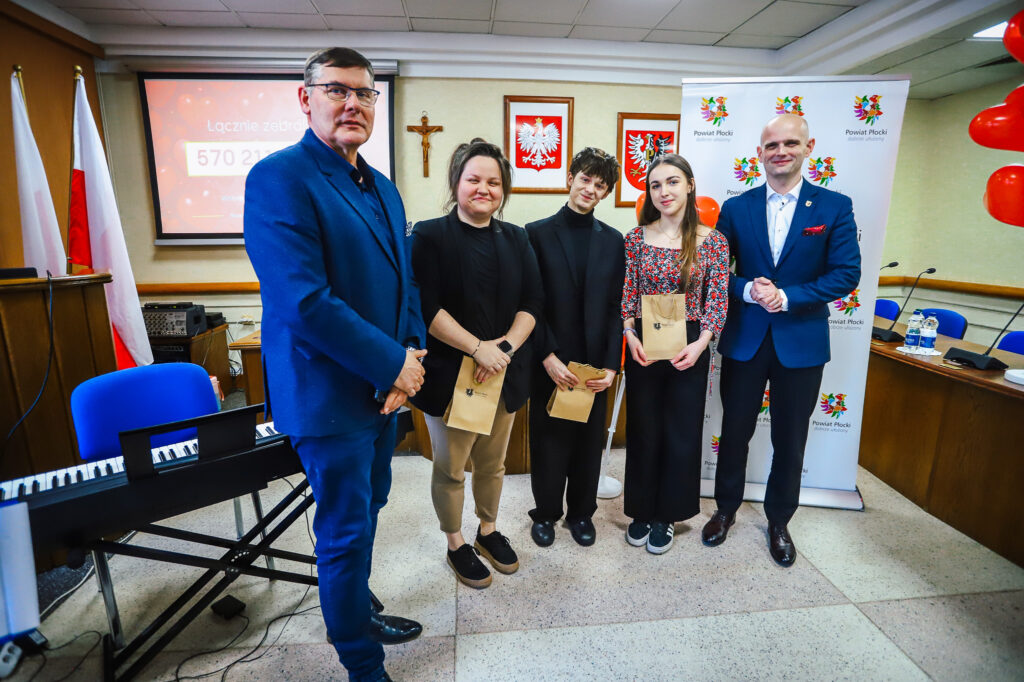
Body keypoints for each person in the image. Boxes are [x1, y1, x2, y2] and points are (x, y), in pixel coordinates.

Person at [244, 47, 426, 682]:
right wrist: (391, 365)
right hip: (328, 396)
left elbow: (406, 283)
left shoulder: (381, 185)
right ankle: (361, 662)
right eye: (336, 90)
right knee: (345, 532)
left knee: (371, 506)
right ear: (306, 98)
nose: (352, 103)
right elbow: (304, 301)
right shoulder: (279, 177)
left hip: (385, 394)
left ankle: (355, 610)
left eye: (364, 93)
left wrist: (410, 359)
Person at [702, 113, 861, 566]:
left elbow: (847, 273)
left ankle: (778, 521)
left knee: (790, 440)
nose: (781, 152)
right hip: (745, 340)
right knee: (734, 432)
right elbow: (717, 272)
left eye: (791, 143)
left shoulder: (834, 206)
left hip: (801, 342)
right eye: (771, 145)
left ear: (809, 148)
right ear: (759, 153)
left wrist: (789, 297)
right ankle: (725, 511)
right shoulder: (737, 208)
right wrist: (748, 289)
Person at [410, 139, 542, 589]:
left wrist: (501, 348)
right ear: (456, 183)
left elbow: (532, 301)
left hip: (500, 375)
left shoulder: (516, 237)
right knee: (451, 467)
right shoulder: (429, 235)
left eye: (494, 182)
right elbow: (425, 307)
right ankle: (456, 541)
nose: (483, 188)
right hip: (450, 378)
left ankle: (488, 530)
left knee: (493, 464)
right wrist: (476, 347)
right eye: (474, 180)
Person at [621, 154, 730, 555]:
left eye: (671, 182)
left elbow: (716, 300)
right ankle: (641, 511)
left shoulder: (712, 241)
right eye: (655, 185)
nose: (663, 192)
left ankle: (667, 514)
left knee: (681, 431)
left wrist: (702, 343)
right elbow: (628, 294)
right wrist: (629, 334)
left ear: (689, 185)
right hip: (646, 338)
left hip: (690, 340)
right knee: (645, 426)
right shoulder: (636, 238)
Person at [524, 147, 624, 548]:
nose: (590, 189)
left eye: (600, 185)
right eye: (584, 179)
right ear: (569, 178)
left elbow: (619, 308)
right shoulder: (534, 233)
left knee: (587, 445)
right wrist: (547, 355)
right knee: (548, 442)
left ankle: (582, 514)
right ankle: (545, 513)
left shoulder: (614, 241)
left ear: (605, 193)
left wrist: (612, 366)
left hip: (594, 366)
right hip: (550, 359)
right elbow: (529, 302)